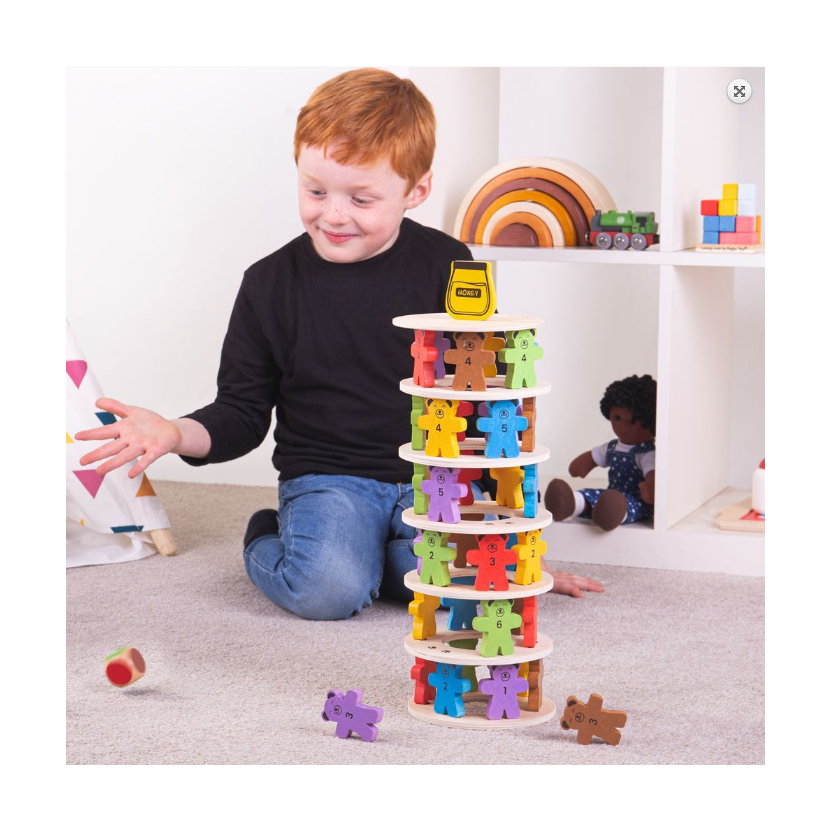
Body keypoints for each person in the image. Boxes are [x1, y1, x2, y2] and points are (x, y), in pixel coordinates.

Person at [75, 68, 603, 619]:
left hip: (434, 477)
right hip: (330, 479)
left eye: (361, 198)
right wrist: (174, 432)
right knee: (328, 590)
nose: (332, 214)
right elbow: (241, 412)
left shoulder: (450, 264)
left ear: (416, 191)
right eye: (315, 190)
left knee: (462, 584)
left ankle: (390, 557)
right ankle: (271, 532)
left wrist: (506, 546)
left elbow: (480, 393)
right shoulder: (269, 284)